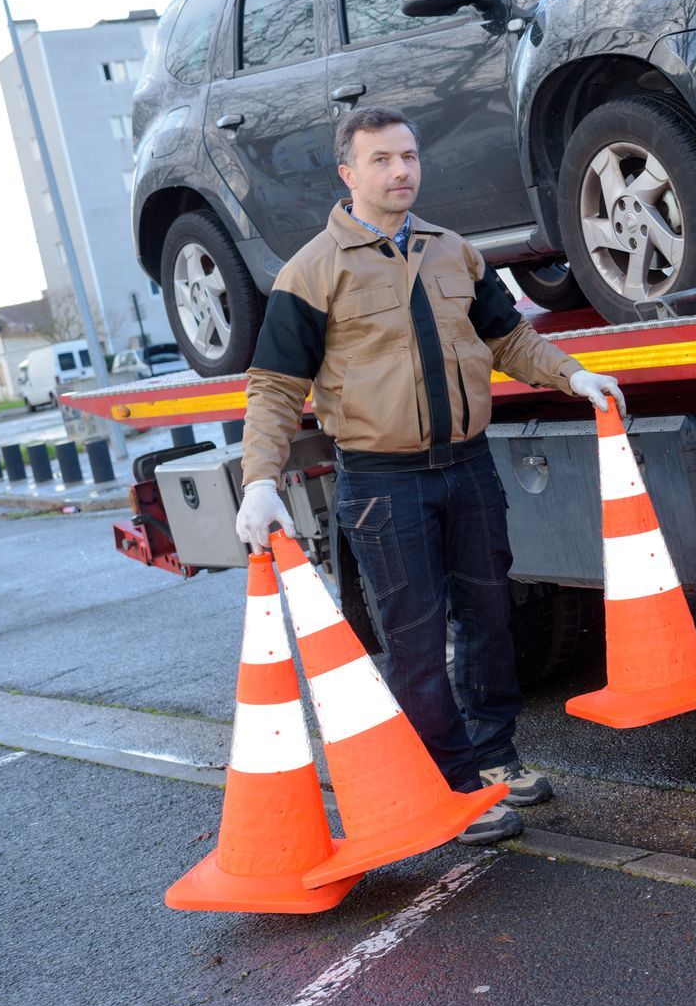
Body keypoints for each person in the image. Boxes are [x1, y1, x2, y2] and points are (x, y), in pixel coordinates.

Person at [232, 105, 624, 845]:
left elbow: (507, 338)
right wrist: (260, 479)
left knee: (489, 619)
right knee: (414, 640)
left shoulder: (455, 253)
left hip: (469, 467)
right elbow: (275, 387)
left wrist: (574, 377)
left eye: (409, 156)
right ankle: (452, 787)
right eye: (381, 159)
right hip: (384, 484)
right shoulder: (312, 271)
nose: (400, 170)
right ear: (348, 174)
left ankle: (495, 757)